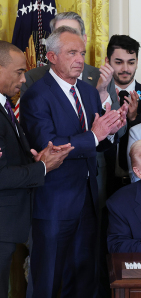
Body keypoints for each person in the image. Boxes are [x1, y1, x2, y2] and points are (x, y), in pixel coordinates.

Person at [19, 26, 127, 297]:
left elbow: (95, 143)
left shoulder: (89, 92)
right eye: (72, 53)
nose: (80, 59)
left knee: (84, 278)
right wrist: (95, 135)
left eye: (82, 53)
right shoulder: (36, 95)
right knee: (49, 279)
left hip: (88, 202)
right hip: (54, 202)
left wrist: (109, 132)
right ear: (52, 57)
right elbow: (50, 146)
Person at [0, 41, 72, 298]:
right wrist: (42, 167)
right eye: (18, 72)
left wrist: (37, 159)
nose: (23, 79)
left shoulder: (5, 106)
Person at [105, 35, 141, 181]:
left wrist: (134, 118)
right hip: (104, 179)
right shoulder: (97, 93)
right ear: (108, 62)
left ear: (137, 62)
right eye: (118, 62)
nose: (125, 69)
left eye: (131, 62)